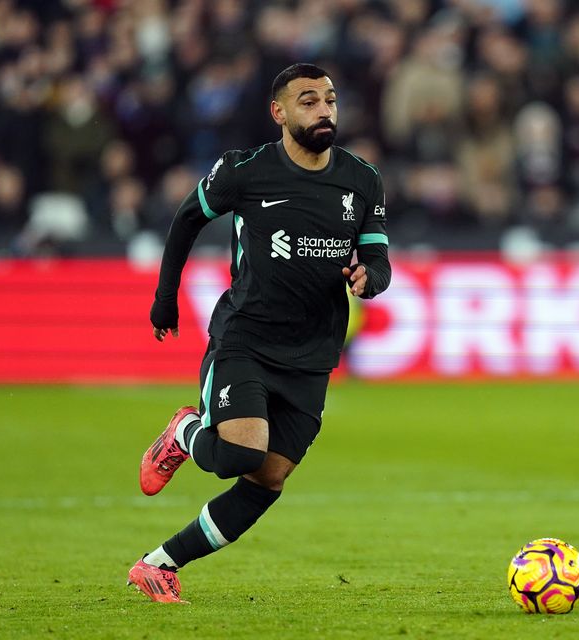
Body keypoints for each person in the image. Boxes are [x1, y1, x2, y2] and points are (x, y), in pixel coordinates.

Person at [127, 63, 391, 603]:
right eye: (309, 101)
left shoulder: (362, 179)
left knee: (267, 479)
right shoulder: (244, 172)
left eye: (331, 101)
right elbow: (186, 219)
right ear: (280, 112)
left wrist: (370, 278)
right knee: (241, 456)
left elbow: (379, 258)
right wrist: (164, 296)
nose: (324, 111)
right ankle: (184, 432)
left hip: (315, 354)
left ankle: (159, 565)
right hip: (246, 339)